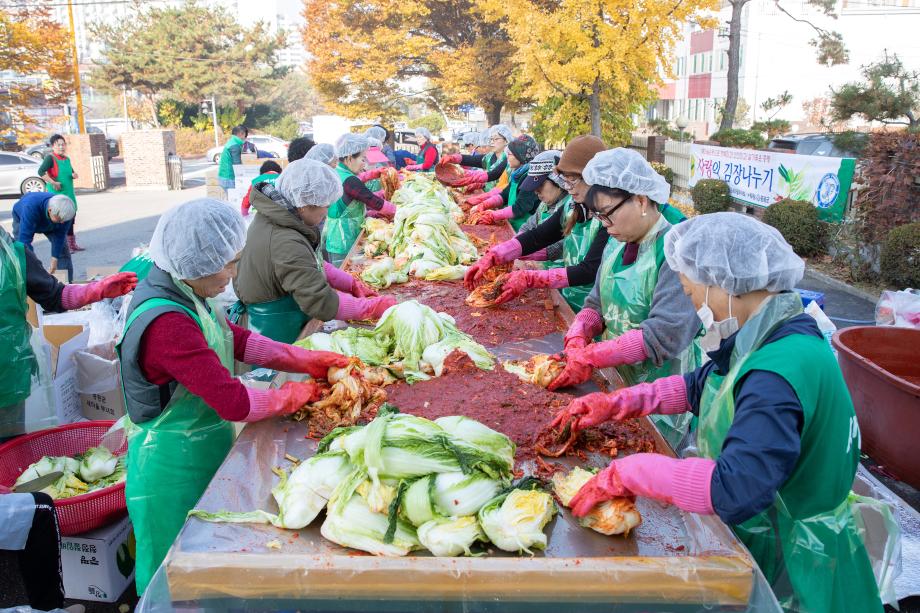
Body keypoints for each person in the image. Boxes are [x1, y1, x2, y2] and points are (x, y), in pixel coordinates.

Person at [553, 212, 883, 613]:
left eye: (691, 290)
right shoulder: (770, 333)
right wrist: (617, 403)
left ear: (722, 282)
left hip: (797, 562)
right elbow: (701, 385)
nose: (691, 301)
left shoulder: (777, 373)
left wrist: (632, 472)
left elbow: (736, 488)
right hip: (773, 532)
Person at [117, 198, 349, 594]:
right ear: (197, 260)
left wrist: (303, 358)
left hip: (202, 443)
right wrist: (294, 396)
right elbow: (233, 402)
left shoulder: (184, 288)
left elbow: (232, 337)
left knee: (208, 570)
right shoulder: (167, 322)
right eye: (228, 263)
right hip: (171, 464)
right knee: (174, 578)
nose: (234, 272)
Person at [547, 148, 701, 449]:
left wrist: (593, 356)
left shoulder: (676, 254)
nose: (603, 223)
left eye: (608, 213)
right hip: (616, 382)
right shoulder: (617, 244)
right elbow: (596, 304)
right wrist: (580, 332)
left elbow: (665, 334)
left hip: (661, 399)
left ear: (641, 200)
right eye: (599, 216)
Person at [232, 159, 396, 343]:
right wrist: (372, 308)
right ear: (304, 204)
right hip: (273, 331)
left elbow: (308, 261)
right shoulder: (284, 239)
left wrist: (350, 283)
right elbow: (320, 301)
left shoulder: (279, 217)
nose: (326, 213)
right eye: (325, 206)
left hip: (288, 317)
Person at [0, 225, 136, 439]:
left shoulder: (12, 254)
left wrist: (97, 290)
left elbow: (55, 295)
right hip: (10, 377)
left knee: (7, 452)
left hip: (7, 382)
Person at [464, 144, 608, 312]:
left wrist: (530, 278)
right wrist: (496, 255)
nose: (569, 187)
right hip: (570, 295)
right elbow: (539, 235)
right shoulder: (573, 205)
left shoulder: (608, 218)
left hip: (597, 309)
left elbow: (588, 270)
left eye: (572, 180)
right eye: (566, 181)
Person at [322, 133, 397, 266]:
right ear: (350, 158)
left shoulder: (339, 172)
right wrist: (401, 211)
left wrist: (375, 173)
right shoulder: (348, 179)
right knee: (344, 275)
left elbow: (358, 182)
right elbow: (373, 201)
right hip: (344, 239)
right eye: (363, 159)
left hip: (336, 237)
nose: (364, 165)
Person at [463, 134, 542, 231]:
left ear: (521, 156)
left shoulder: (531, 178)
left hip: (524, 229)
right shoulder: (518, 173)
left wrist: (493, 215)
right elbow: (504, 195)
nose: (508, 157)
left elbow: (520, 207)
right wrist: (484, 204)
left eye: (510, 154)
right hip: (513, 225)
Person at [12, 192, 77, 282]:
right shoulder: (30, 208)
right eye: (60, 219)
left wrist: (55, 258)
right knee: (22, 253)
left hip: (49, 220)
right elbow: (25, 242)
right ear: (50, 210)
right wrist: (36, 267)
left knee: (63, 251)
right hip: (23, 218)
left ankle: (67, 285)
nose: (62, 223)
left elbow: (60, 236)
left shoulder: (65, 215)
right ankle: (28, 286)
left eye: (64, 220)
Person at [38, 134, 84, 253]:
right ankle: (63, 246)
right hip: (57, 196)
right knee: (60, 221)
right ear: (53, 146)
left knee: (71, 219)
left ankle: (72, 244)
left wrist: (74, 175)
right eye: (58, 144)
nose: (61, 147)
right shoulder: (50, 158)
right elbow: (40, 171)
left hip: (69, 194)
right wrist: (53, 182)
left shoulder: (67, 159)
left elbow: (72, 172)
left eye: (63, 144)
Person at [440, 124, 512, 192]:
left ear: (506, 140)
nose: (492, 142)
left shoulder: (509, 159)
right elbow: (474, 160)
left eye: (496, 139)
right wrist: (454, 158)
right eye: (491, 139)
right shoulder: (490, 157)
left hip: (499, 199)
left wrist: (465, 174)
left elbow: (494, 174)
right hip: (488, 195)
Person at [217, 125, 247, 190]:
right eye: (245, 135)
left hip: (224, 177)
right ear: (241, 134)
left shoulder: (231, 142)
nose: (245, 138)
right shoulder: (235, 145)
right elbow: (237, 165)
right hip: (229, 178)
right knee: (233, 199)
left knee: (230, 198)